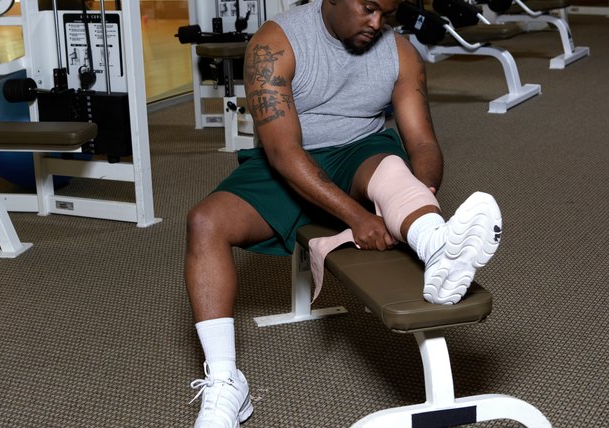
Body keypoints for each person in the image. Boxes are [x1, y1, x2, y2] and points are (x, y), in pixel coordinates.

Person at [185, 0, 503, 426]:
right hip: (290, 163)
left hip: (361, 154)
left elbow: (422, 144)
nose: (377, 24)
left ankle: (437, 245)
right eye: (369, 8)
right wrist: (358, 217)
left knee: (392, 169)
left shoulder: (401, 52)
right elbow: (283, 153)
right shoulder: (274, 43)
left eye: (386, 14)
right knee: (204, 222)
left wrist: (417, 195)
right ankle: (226, 383)